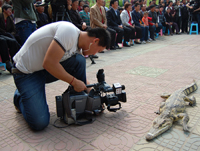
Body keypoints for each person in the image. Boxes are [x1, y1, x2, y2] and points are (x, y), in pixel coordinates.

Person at [12, 21, 111, 131]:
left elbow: (80, 78)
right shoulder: (69, 31)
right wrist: (73, 81)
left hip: (43, 70)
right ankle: (19, 96)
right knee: (39, 123)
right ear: (95, 41)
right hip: (26, 73)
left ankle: (82, 101)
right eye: (98, 50)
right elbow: (49, 63)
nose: (94, 54)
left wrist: (94, 96)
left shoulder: (77, 47)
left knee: (79, 61)